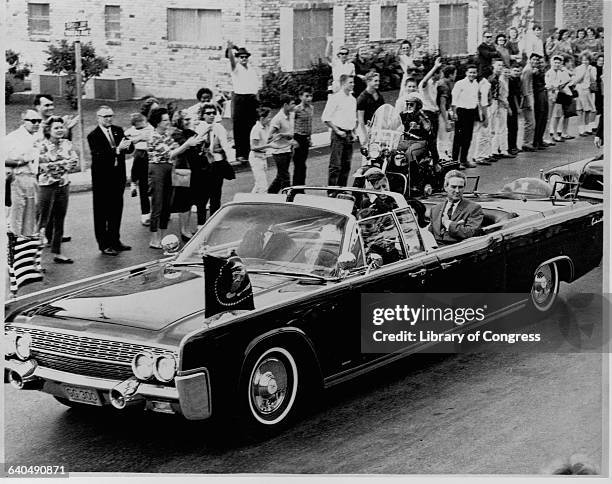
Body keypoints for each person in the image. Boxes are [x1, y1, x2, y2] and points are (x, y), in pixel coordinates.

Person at [87, 106, 133, 256]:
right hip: (102, 179)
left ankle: (115, 240)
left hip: (117, 177)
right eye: (105, 116)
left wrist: (129, 143)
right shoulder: (94, 135)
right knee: (102, 212)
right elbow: (99, 155)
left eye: (110, 116)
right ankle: (104, 243)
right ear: (98, 117)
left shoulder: (118, 130)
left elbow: (129, 148)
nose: (108, 119)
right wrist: (117, 150)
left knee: (116, 210)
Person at [37, 117, 78, 263]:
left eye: (61, 127)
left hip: (63, 185)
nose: (60, 130)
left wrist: (59, 165)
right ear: (48, 130)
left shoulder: (67, 143)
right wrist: (63, 164)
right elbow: (44, 167)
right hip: (46, 186)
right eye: (56, 128)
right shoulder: (41, 146)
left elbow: (74, 162)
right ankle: (36, 258)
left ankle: (57, 252)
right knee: (43, 221)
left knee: (60, 219)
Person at [194, 103, 235, 224]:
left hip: (217, 164)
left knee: (216, 195)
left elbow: (225, 145)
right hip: (203, 166)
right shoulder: (199, 128)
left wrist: (228, 158)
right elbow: (195, 145)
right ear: (203, 115)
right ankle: (200, 224)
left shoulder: (219, 128)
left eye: (213, 113)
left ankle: (213, 222)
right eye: (208, 113)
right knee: (202, 196)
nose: (211, 115)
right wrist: (204, 133)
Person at [4, 110, 42, 237]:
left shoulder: (37, 137)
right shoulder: (13, 137)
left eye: (39, 121)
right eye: (33, 121)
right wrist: (21, 162)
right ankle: (13, 251)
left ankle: (25, 248)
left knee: (30, 218)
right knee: (16, 217)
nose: (36, 124)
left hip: (32, 179)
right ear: (23, 121)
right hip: (18, 178)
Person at [144, 107, 177, 248]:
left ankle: (163, 237)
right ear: (157, 122)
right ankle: (154, 238)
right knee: (157, 204)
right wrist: (187, 145)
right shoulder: (154, 136)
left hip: (168, 169)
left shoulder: (165, 135)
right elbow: (170, 153)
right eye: (165, 120)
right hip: (157, 169)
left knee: (167, 204)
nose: (168, 122)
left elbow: (174, 146)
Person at [167, 110, 202, 242]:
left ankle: (186, 229)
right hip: (182, 171)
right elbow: (184, 147)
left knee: (189, 200)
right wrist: (191, 143)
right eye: (185, 119)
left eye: (189, 119)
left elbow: (197, 143)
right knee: (183, 201)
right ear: (179, 120)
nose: (188, 122)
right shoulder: (176, 133)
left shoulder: (189, 132)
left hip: (192, 170)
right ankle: (184, 231)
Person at [428, 170, 483, 245]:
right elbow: (430, 233)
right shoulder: (435, 209)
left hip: (458, 251)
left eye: (460, 187)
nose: (457, 191)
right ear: (445, 187)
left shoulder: (474, 208)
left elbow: (471, 232)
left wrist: (448, 223)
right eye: (453, 187)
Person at [227, 41, 260, 163]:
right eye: (241, 57)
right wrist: (230, 49)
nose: (244, 59)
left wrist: (257, 99)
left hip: (251, 99)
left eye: (246, 57)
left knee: (251, 125)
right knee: (239, 126)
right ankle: (240, 154)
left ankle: (250, 151)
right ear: (238, 58)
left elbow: (255, 86)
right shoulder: (236, 68)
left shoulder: (251, 69)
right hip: (240, 99)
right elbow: (231, 60)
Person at [321, 74, 357, 187]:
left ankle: (342, 189)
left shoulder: (352, 100)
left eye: (353, 82)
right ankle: (332, 191)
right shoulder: (335, 98)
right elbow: (325, 118)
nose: (352, 84)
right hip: (338, 135)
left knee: (346, 165)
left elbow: (352, 119)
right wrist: (337, 131)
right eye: (350, 82)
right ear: (343, 84)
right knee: (335, 165)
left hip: (348, 135)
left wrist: (354, 133)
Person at [125, 113, 153, 226]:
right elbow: (125, 138)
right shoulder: (131, 131)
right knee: (143, 185)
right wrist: (139, 138)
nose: (141, 128)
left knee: (154, 186)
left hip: (151, 154)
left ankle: (133, 181)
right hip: (141, 154)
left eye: (142, 125)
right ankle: (145, 214)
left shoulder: (150, 128)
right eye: (138, 127)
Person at [451, 64, 480, 168]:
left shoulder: (476, 84)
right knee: (458, 138)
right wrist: (454, 113)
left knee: (468, 137)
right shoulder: (460, 83)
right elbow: (454, 99)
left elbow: (476, 100)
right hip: (461, 112)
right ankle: (454, 162)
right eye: (470, 72)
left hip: (471, 112)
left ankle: (464, 160)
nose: (472, 74)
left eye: (474, 72)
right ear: (466, 73)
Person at [267, 94, 297, 193]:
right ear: (285, 105)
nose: (294, 106)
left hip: (288, 150)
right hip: (279, 152)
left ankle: (270, 194)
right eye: (292, 104)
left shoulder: (291, 115)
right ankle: (287, 198)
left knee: (280, 176)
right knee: (285, 177)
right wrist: (282, 135)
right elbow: (269, 136)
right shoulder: (277, 119)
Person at [489, 59, 515, 159]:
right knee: (496, 128)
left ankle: (503, 149)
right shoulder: (499, 80)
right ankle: (495, 150)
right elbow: (498, 95)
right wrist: (507, 106)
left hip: (503, 105)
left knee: (503, 128)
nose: (500, 67)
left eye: (501, 65)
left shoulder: (507, 80)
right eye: (498, 65)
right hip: (498, 105)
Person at [418, 57, 442, 162]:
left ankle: (433, 160)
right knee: (429, 139)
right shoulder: (426, 84)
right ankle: (434, 161)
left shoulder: (435, 84)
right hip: (427, 114)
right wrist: (435, 66)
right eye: (439, 73)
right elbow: (424, 81)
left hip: (434, 113)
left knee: (433, 139)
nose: (441, 76)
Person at [544, 55, 573, 142]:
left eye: (558, 63)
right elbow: (549, 85)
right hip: (550, 97)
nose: (557, 64)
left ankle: (552, 135)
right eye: (555, 62)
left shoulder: (561, 71)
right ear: (552, 63)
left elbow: (567, 80)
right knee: (549, 117)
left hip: (558, 97)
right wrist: (557, 86)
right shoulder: (549, 72)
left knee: (556, 115)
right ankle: (547, 136)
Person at [469, 66, 493, 165]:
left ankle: (479, 154)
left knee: (480, 133)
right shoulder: (485, 84)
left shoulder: (477, 83)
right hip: (481, 110)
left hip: (477, 109)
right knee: (483, 133)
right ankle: (479, 156)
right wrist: (485, 116)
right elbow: (484, 101)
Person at [292, 86, 314, 186]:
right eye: (306, 96)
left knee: (303, 165)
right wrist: (293, 139)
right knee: (298, 165)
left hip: (305, 138)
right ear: (301, 97)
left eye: (310, 96)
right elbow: (291, 124)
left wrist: (310, 138)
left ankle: (301, 187)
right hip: (298, 138)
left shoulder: (311, 108)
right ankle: (295, 187)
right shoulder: (297, 109)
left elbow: (310, 124)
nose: (309, 98)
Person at [248, 106, 273, 193]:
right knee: (263, 187)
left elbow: (267, 140)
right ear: (262, 118)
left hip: (263, 157)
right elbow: (253, 147)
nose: (270, 119)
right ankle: (263, 205)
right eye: (269, 117)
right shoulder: (256, 129)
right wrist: (268, 146)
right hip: (256, 159)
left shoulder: (266, 127)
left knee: (258, 185)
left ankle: (248, 202)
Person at [357, 72, 385, 145]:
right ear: (368, 81)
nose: (378, 83)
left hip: (377, 127)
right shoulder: (362, 98)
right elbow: (361, 120)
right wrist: (365, 135)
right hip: (366, 127)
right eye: (375, 81)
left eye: (378, 81)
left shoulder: (379, 95)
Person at [520, 53, 541, 151]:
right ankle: (526, 143)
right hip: (528, 97)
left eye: (537, 60)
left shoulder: (531, 70)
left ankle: (528, 142)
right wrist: (528, 101)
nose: (535, 62)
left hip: (530, 96)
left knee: (531, 122)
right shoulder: (528, 70)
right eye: (534, 59)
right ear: (530, 60)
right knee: (530, 122)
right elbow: (524, 86)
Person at [574, 52, 597, 137]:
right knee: (580, 110)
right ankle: (581, 130)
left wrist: (588, 71)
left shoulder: (593, 68)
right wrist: (583, 72)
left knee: (588, 110)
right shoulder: (578, 68)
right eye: (583, 60)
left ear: (589, 60)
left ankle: (588, 128)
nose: (585, 62)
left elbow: (593, 79)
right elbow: (576, 81)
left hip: (588, 90)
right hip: (580, 90)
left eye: (587, 60)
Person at [532, 54, 552, 149]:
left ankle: (540, 139)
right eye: (539, 62)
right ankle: (536, 141)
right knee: (539, 118)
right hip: (539, 95)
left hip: (544, 94)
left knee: (544, 118)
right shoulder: (535, 72)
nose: (541, 64)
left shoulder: (543, 71)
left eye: (542, 62)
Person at [437, 65, 456, 161]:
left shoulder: (445, 83)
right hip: (442, 114)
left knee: (446, 135)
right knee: (443, 135)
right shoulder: (444, 86)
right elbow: (442, 105)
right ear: (451, 75)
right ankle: (443, 157)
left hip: (445, 112)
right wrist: (446, 121)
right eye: (455, 74)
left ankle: (446, 155)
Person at [507, 63, 523, 155]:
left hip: (515, 105)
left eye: (518, 71)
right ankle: (511, 147)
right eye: (515, 70)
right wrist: (518, 108)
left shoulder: (517, 80)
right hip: (511, 105)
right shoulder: (510, 80)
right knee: (511, 127)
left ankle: (514, 145)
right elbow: (513, 96)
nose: (517, 72)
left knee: (515, 127)